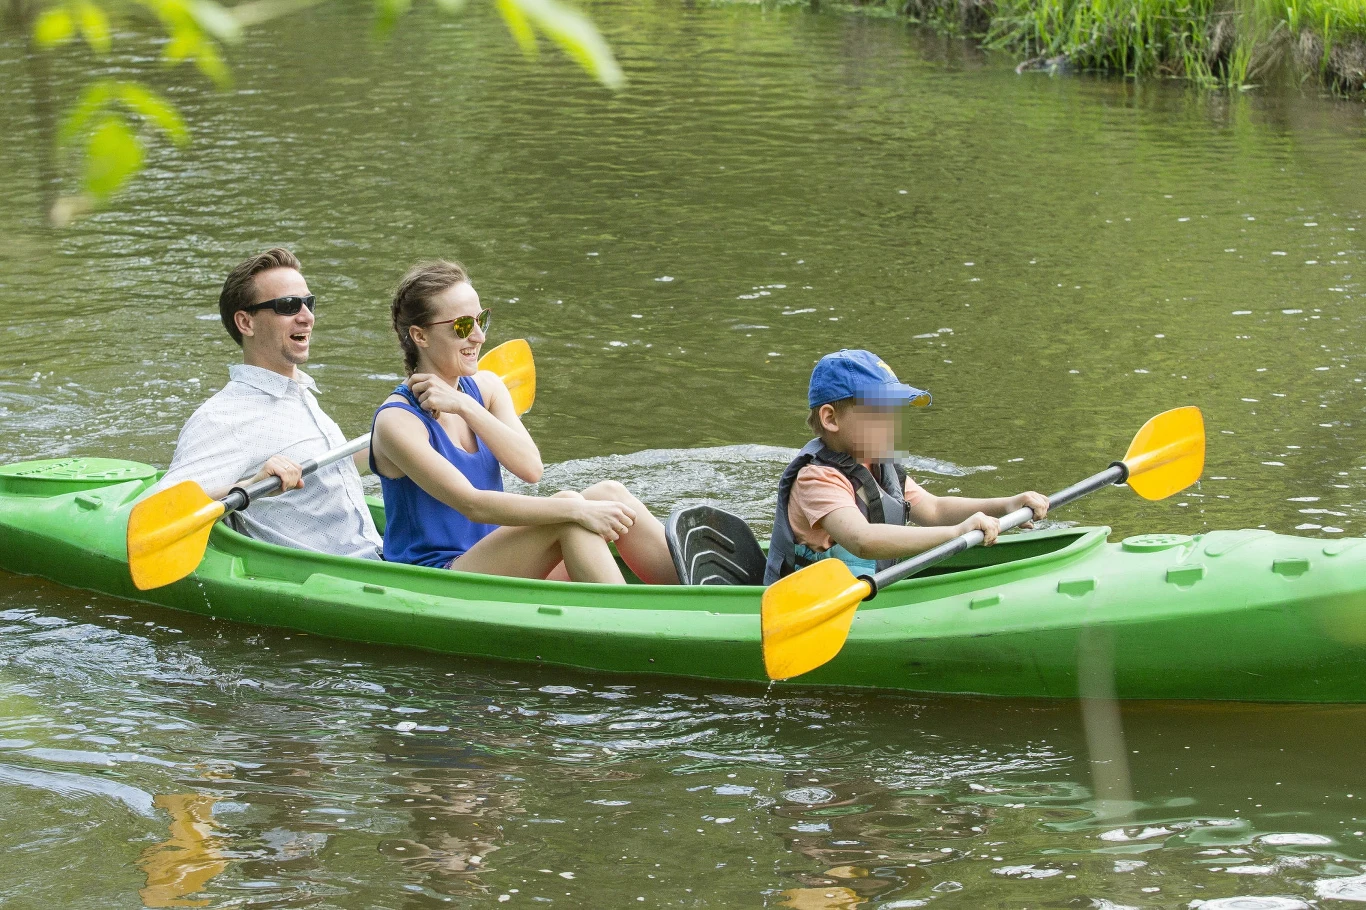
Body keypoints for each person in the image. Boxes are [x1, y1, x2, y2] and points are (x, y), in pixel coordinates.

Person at [368, 260, 679, 584]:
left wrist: (466, 406)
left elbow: (531, 469)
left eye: (481, 320)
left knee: (611, 493)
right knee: (570, 510)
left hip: (502, 560)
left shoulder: (486, 388)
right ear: (420, 335)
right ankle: (626, 614)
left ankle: (696, 593)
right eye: (462, 326)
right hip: (439, 578)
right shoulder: (397, 421)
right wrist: (577, 509)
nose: (478, 336)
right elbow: (473, 505)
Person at [147, 248, 383, 559]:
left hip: (377, 556)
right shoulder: (225, 417)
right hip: (331, 575)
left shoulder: (299, 394)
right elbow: (158, 513)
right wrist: (249, 485)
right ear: (246, 322)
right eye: (288, 306)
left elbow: (331, 470)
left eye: (309, 303)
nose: (307, 316)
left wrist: (406, 424)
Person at [764, 349, 1049, 584]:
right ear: (831, 418)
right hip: (811, 603)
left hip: (865, 588)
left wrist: (1006, 505)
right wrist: (956, 533)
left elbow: (935, 509)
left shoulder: (879, 465)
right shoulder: (816, 478)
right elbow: (862, 540)